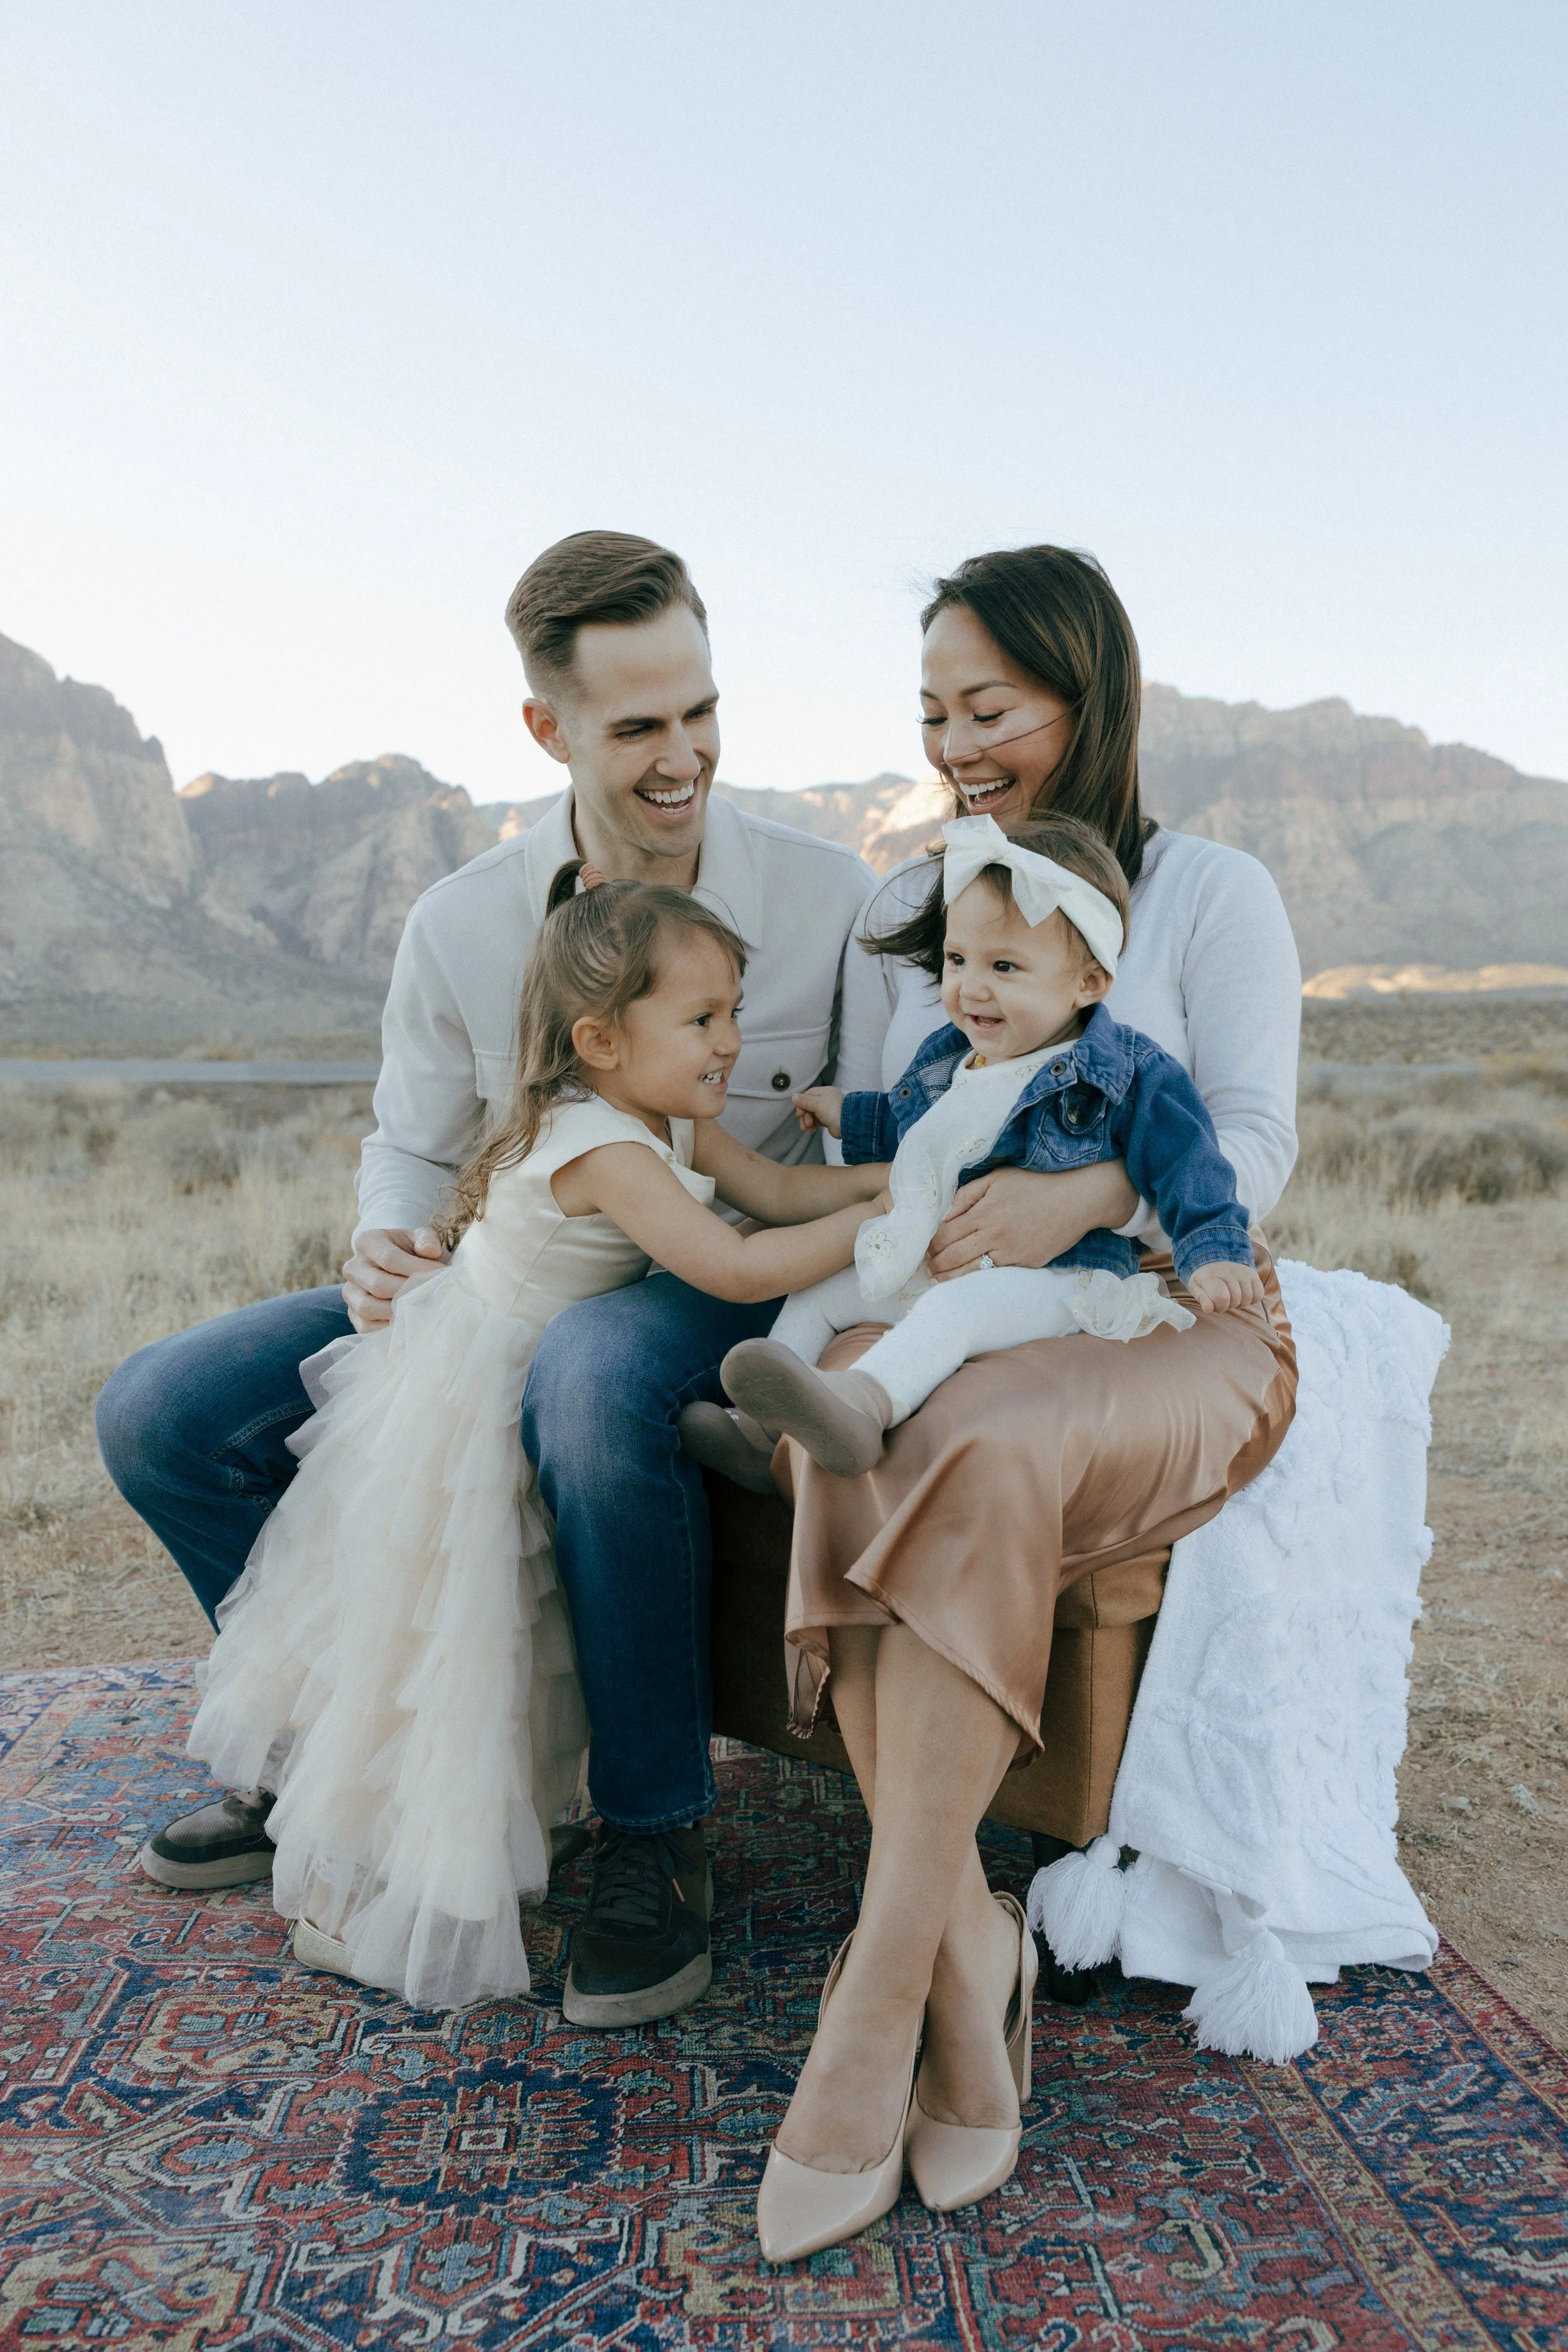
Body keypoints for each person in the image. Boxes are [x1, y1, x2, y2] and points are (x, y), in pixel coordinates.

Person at [95, 531, 884, 2029]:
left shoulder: (830, 893)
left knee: (586, 1380)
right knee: (160, 1409)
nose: (684, 755)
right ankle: (344, 1769)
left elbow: (831, 1144)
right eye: (638, 725)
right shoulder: (460, 920)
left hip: (717, 1280)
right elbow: (411, 1141)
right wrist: (381, 1242)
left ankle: (653, 1837)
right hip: (496, 1272)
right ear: (549, 727)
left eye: (701, 710)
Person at [748, 546, 1301, 2264]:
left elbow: (1254, 1151)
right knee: (849, 1386)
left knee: (973, 1432)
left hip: (1161, 1313)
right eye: (930, 711)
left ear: (1089, 692)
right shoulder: (926, 908)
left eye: (988, 705)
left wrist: (1087, 1201)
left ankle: (874, 1992)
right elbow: (903, 1124)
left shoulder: (1211, 892)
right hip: (946, 1308)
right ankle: (968, 1946)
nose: (956, 740)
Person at [187, 869, 888, 2012]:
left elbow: (775, 1188)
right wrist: (878, 1228)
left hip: (491, 1366)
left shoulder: (660, 1116)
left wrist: (907, 1182)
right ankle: (389, 1867)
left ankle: (525, 1829)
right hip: (472, 1404)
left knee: (494, 1644)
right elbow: (742, 1264)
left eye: (734, 1010)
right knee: (452, 1653)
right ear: (601, 1038)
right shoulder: (604, 1145)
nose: (732, 1042)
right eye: (702, 1018)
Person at [680, 810, 1261, 1488]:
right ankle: (764, 1438)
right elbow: (913, 1123)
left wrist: (1213, 1250)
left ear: (1089, 982)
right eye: (958, 960)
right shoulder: (951, 1057)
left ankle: (864, 1405)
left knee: (952, 1315)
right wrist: (846, 1114)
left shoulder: (1128, 1074)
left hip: (1056, 1281)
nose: (970, 987)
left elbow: (1191, 1166)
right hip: (945, 1260)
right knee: (821, 1295)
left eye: (1005, 966)